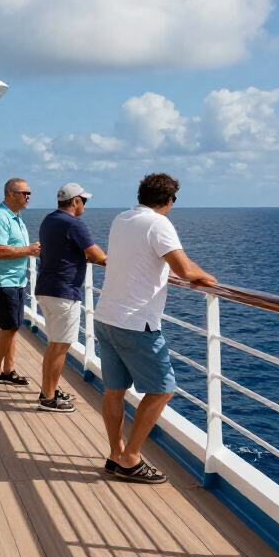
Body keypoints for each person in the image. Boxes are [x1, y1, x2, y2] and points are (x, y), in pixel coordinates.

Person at [94, 174, 215, 484]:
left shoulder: (123, 218)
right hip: (135, 322)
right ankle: (131, 459)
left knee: (114, 391)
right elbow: (185, 270)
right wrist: (211, 278)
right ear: (169, 201)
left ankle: (115, 454)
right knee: (162, 389)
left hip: (107, 316)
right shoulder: (158, 224)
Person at [34, 184, 107, 414]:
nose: (84, 205)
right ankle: (47, 398)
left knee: (54, 345)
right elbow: (98, 255)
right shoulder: (74, 223)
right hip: (64, 292)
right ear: (75, 201)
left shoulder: (49, 220)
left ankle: (49, 390)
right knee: (60, 347)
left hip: (46, 288)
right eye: (83, 201)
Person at [0, 178, 41, 386]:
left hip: (15, 279)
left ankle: (9, 370)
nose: (28, 197)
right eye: (25, 193)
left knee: (14, 326)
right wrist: (29, 250)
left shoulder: (15, 217)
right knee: (8, 326)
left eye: (29, 193)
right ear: (10, 194)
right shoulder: (0, 217)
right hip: (2, 279)